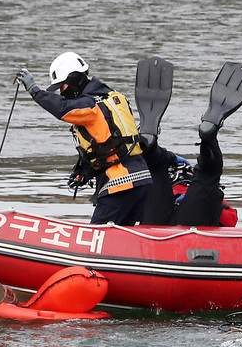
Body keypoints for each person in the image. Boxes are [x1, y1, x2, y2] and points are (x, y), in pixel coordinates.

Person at [17, 52, 152, 225]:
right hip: (141, 178)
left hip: (121, 182)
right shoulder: (114, 98)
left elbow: (63, 108)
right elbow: (108, 142)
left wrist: (35, 91)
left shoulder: (91, 106)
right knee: (122, 234)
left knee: (96, 234)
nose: (62, 92)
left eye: (62, 86)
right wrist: (86, 171)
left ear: (74, 80)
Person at [135, 59, 242, 228]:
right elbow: (230, 220)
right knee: (207, 174)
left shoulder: (170, 181)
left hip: (157, 222)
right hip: (192, 222)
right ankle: (208, 136)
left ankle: (149, 145)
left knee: (155, 167)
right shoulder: (189, 182)